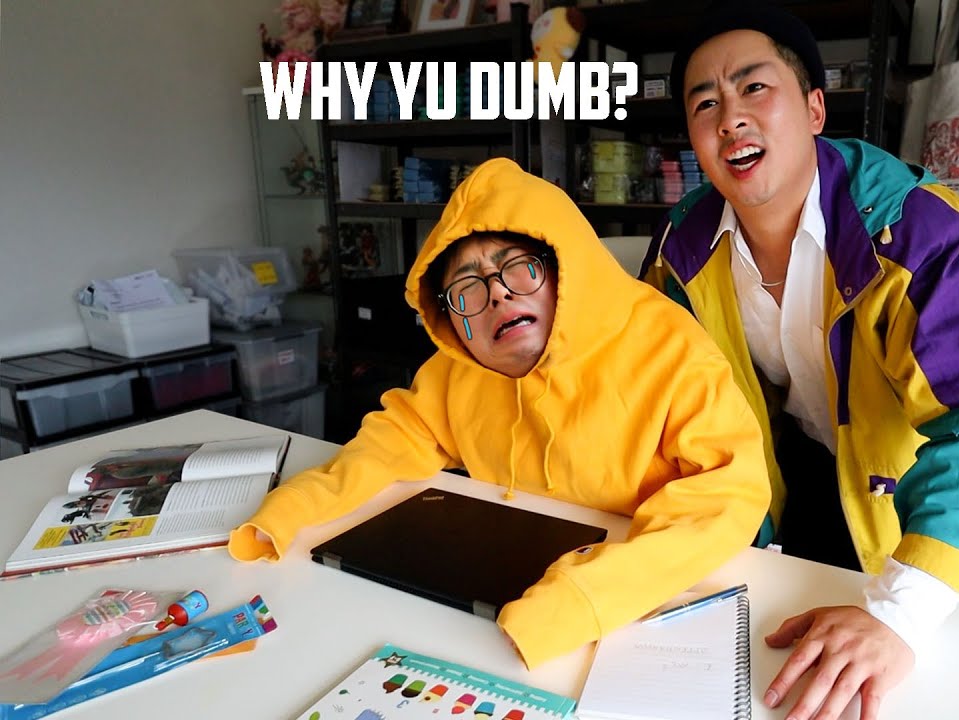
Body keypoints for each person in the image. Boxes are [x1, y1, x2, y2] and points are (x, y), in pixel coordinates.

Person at [644, 3, 959, 718]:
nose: (730, 117)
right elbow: (663, 400)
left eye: (753, 88)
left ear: (814, 109)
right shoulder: (681, 247)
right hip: (776, 494)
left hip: (906, 505)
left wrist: (900, 616)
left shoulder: (911, 226)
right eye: (705, 104)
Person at [228, 158, 771, 670]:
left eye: (518, 268)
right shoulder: (457, 372)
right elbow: (394, 438)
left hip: (635, 605)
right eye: (466, 287)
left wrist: (584, 596)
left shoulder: (673, 351)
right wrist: (295, 508)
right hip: (503, 578)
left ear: (567, 272)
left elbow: (727, 496)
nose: (497, 295)